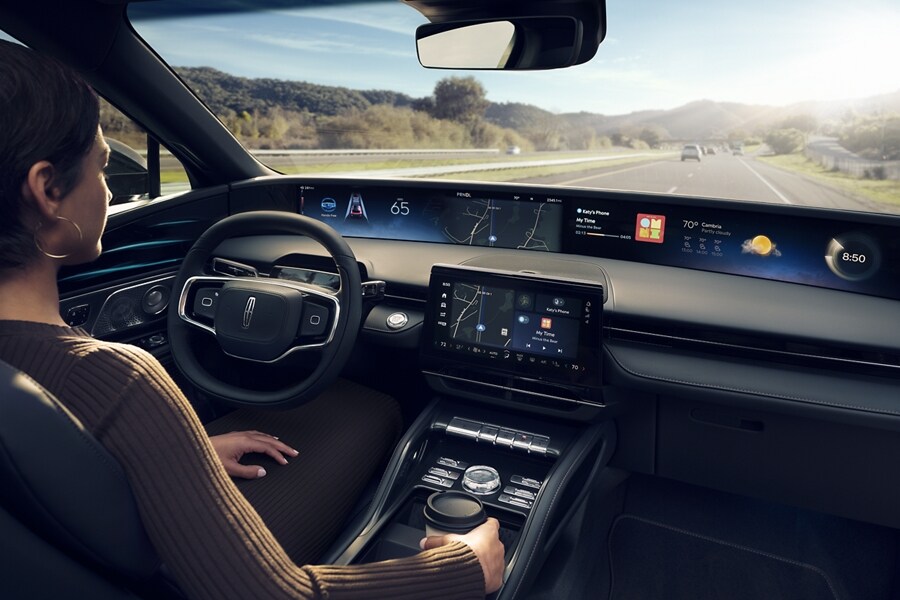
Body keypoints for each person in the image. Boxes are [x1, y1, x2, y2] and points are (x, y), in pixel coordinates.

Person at [0, 39, 504, 599]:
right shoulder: (115, 379)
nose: (110, 187)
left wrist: (173, 454)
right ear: (47, 189)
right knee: (372, 405)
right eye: (101, 167)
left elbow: (40, 473)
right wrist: (463, 568)